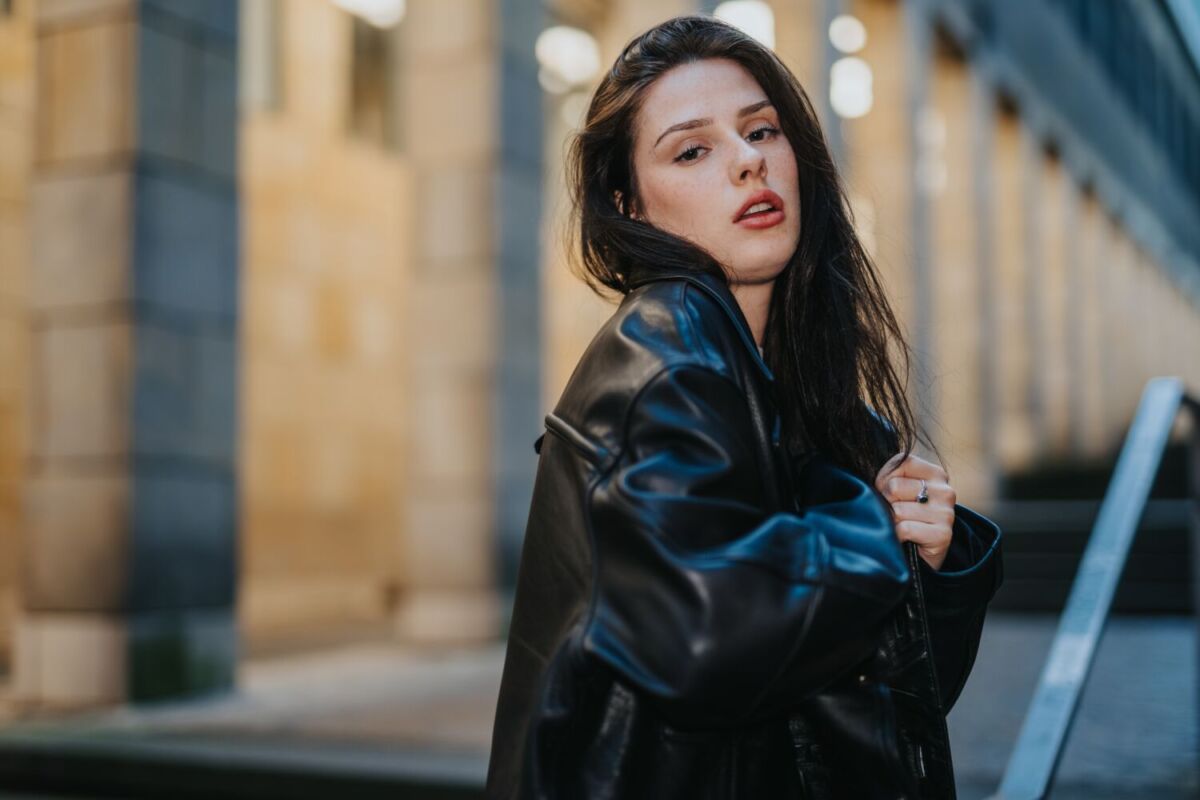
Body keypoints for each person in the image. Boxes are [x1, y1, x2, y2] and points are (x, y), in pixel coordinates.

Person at [486, 14, 1002, 800]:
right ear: (630, 204)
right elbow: (705, 636)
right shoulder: (661, 360)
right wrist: (873, 529)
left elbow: (864, 706)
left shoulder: (784, 380)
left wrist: (929, 567)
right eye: (693, 150)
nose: (747, 163)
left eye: (761, 131)